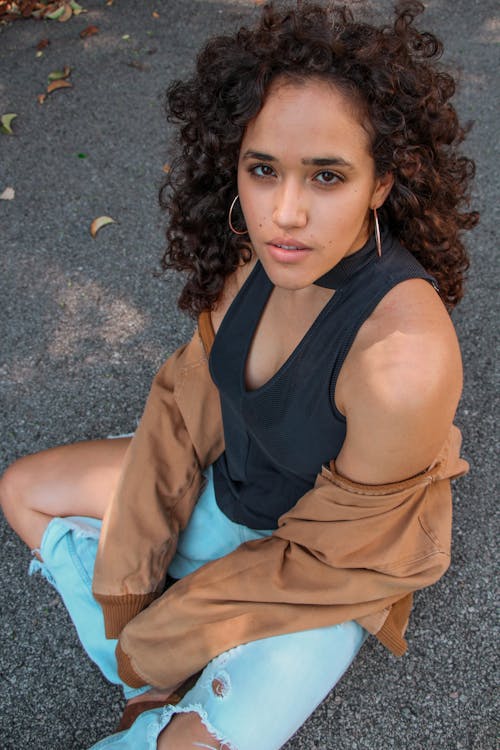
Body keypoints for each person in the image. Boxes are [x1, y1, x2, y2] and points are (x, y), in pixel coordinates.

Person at [0, 2, 479, 749]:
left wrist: (162, 634)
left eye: (327, 176)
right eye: (263, 170)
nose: (284, 214)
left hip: (326, 571)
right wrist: (133, 604)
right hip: (232, 489)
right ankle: (161, 680)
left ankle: (177, 684)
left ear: (381, 183)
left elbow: (331, 560)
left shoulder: (403, 358)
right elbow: (184, 411)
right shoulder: (253, 253)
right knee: (22, 491)